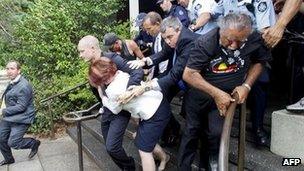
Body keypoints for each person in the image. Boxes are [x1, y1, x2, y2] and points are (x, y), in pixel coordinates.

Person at [179, 13, 271, 170]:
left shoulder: (254, 38)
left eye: (240, 41)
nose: (234, 45)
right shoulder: (206, 42)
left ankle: (209, 162)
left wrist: (246, 86)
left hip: (224, 98)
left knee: (216, 133)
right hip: (198, 96)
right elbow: (189, 74)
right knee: (191, 132)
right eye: (229, 39)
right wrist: (216, 93)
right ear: (220, 30)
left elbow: (259, 61)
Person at [127, 16, 199, 146]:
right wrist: (143, 61)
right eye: (165, 38)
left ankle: (178, 134)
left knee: (192, 120)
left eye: (169, 37)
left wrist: (146, 86)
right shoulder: (171, 36)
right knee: (157, 99)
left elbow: (175, 74)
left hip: (191, 81)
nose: (168, 41)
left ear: (179, 29)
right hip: (175, 75)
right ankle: (170, 130)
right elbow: (164, 53)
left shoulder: (189, 41)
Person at [88, 58, 171, 171]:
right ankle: (164, 157)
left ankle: (164, 158)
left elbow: (114, 109)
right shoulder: (121, 74)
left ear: (100, 80)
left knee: (144, 151)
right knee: (138, 138)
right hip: (155, 104)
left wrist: (102, 96)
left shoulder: (113, 91)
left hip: (155, 112)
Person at [78, 35, 144, 170]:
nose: (80, 55)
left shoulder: (112, 58)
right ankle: (127, 167)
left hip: (121, 109)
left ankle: (130, 166)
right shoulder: (92, 67)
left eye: (82, 51)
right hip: (108, 108)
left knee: (112, 146)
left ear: (92, 48)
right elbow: (98, 90)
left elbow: (136, 70)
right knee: (110, 148)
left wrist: (129, 91)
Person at [0, 61, 40, 166]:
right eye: (7, 68)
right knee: (1, 138)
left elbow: (21, 107)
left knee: (13, 143)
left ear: (19, 70)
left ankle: (33, 143)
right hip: (9, 116)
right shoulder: (13, 82)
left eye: (12, 69)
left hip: (22, 117)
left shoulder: (24, 86)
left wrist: (2, 111)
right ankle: (9, 159)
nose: (9, 71)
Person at [142, 11, 173, 79]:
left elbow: (164, 54)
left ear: (157, 24)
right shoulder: (155, 37)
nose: (147, 32)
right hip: (159, 74)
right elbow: (155, 57)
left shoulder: (168, 38)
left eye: (149, 29)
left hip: (169, 75)